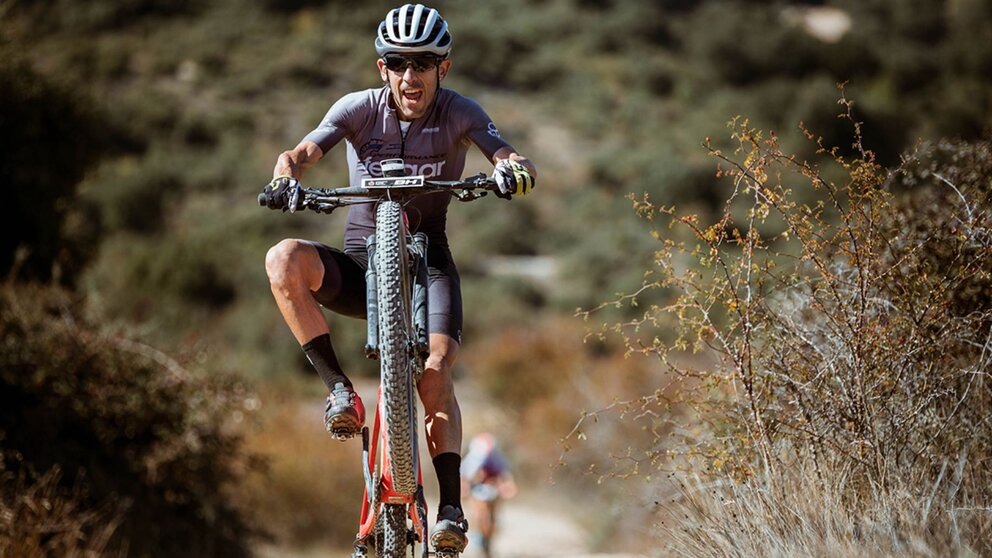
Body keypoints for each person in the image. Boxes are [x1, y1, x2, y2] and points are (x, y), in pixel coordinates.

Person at [259, 4, 536, 553]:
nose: (411, 76)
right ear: (382, 67)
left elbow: (501, 150)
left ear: (444, 67)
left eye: (424, 64)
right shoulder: (358, 109)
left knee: (435, 373)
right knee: (282, 259)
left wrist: (512, 169)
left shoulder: (460, 112)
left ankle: (451, 507)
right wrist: (285, 175)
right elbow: (305, 151)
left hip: (429, 262)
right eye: (398, 63)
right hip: (363, 266)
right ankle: (340, 389)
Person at [461, 434, 517, 558]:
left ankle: (487, 540)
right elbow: (465, 476)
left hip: (492, 491)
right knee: (480, 514)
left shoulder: (495, 458)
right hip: (477, 491)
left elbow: (504, 474)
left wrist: (508, 487)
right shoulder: (474, 459)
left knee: (491, 517)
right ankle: (479, 536)